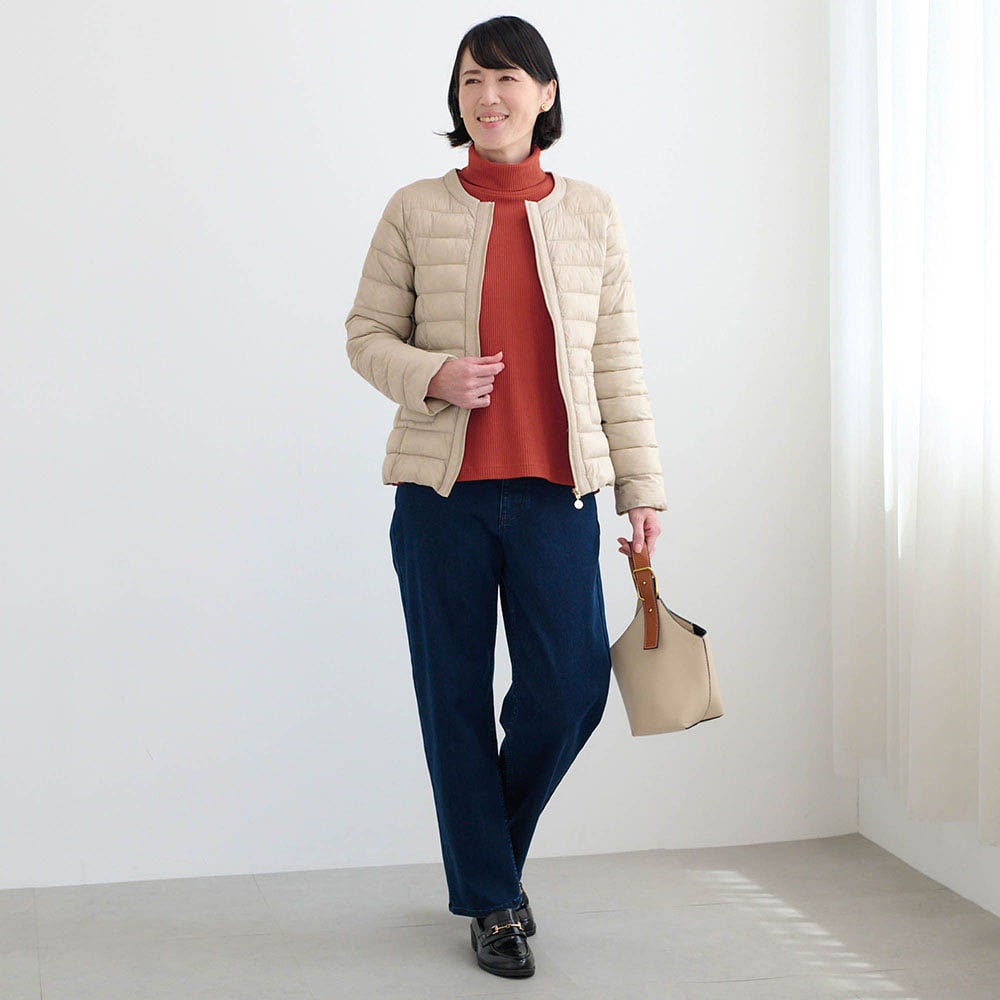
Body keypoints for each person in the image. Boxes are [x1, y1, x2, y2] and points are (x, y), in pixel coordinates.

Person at [345, 14, 667, 979]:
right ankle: (493, 902)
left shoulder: (592, 214)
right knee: (452, 699)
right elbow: (365, 334)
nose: (488, 96)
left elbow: (617, 362)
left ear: (545, 93)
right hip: (440, 499)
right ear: (458, 98)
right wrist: (433, 374)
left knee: (569, 693)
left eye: (507, 78)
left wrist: (642, 488)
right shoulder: (415, 209)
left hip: (556, 496)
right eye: (471, 80)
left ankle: (486, 865)